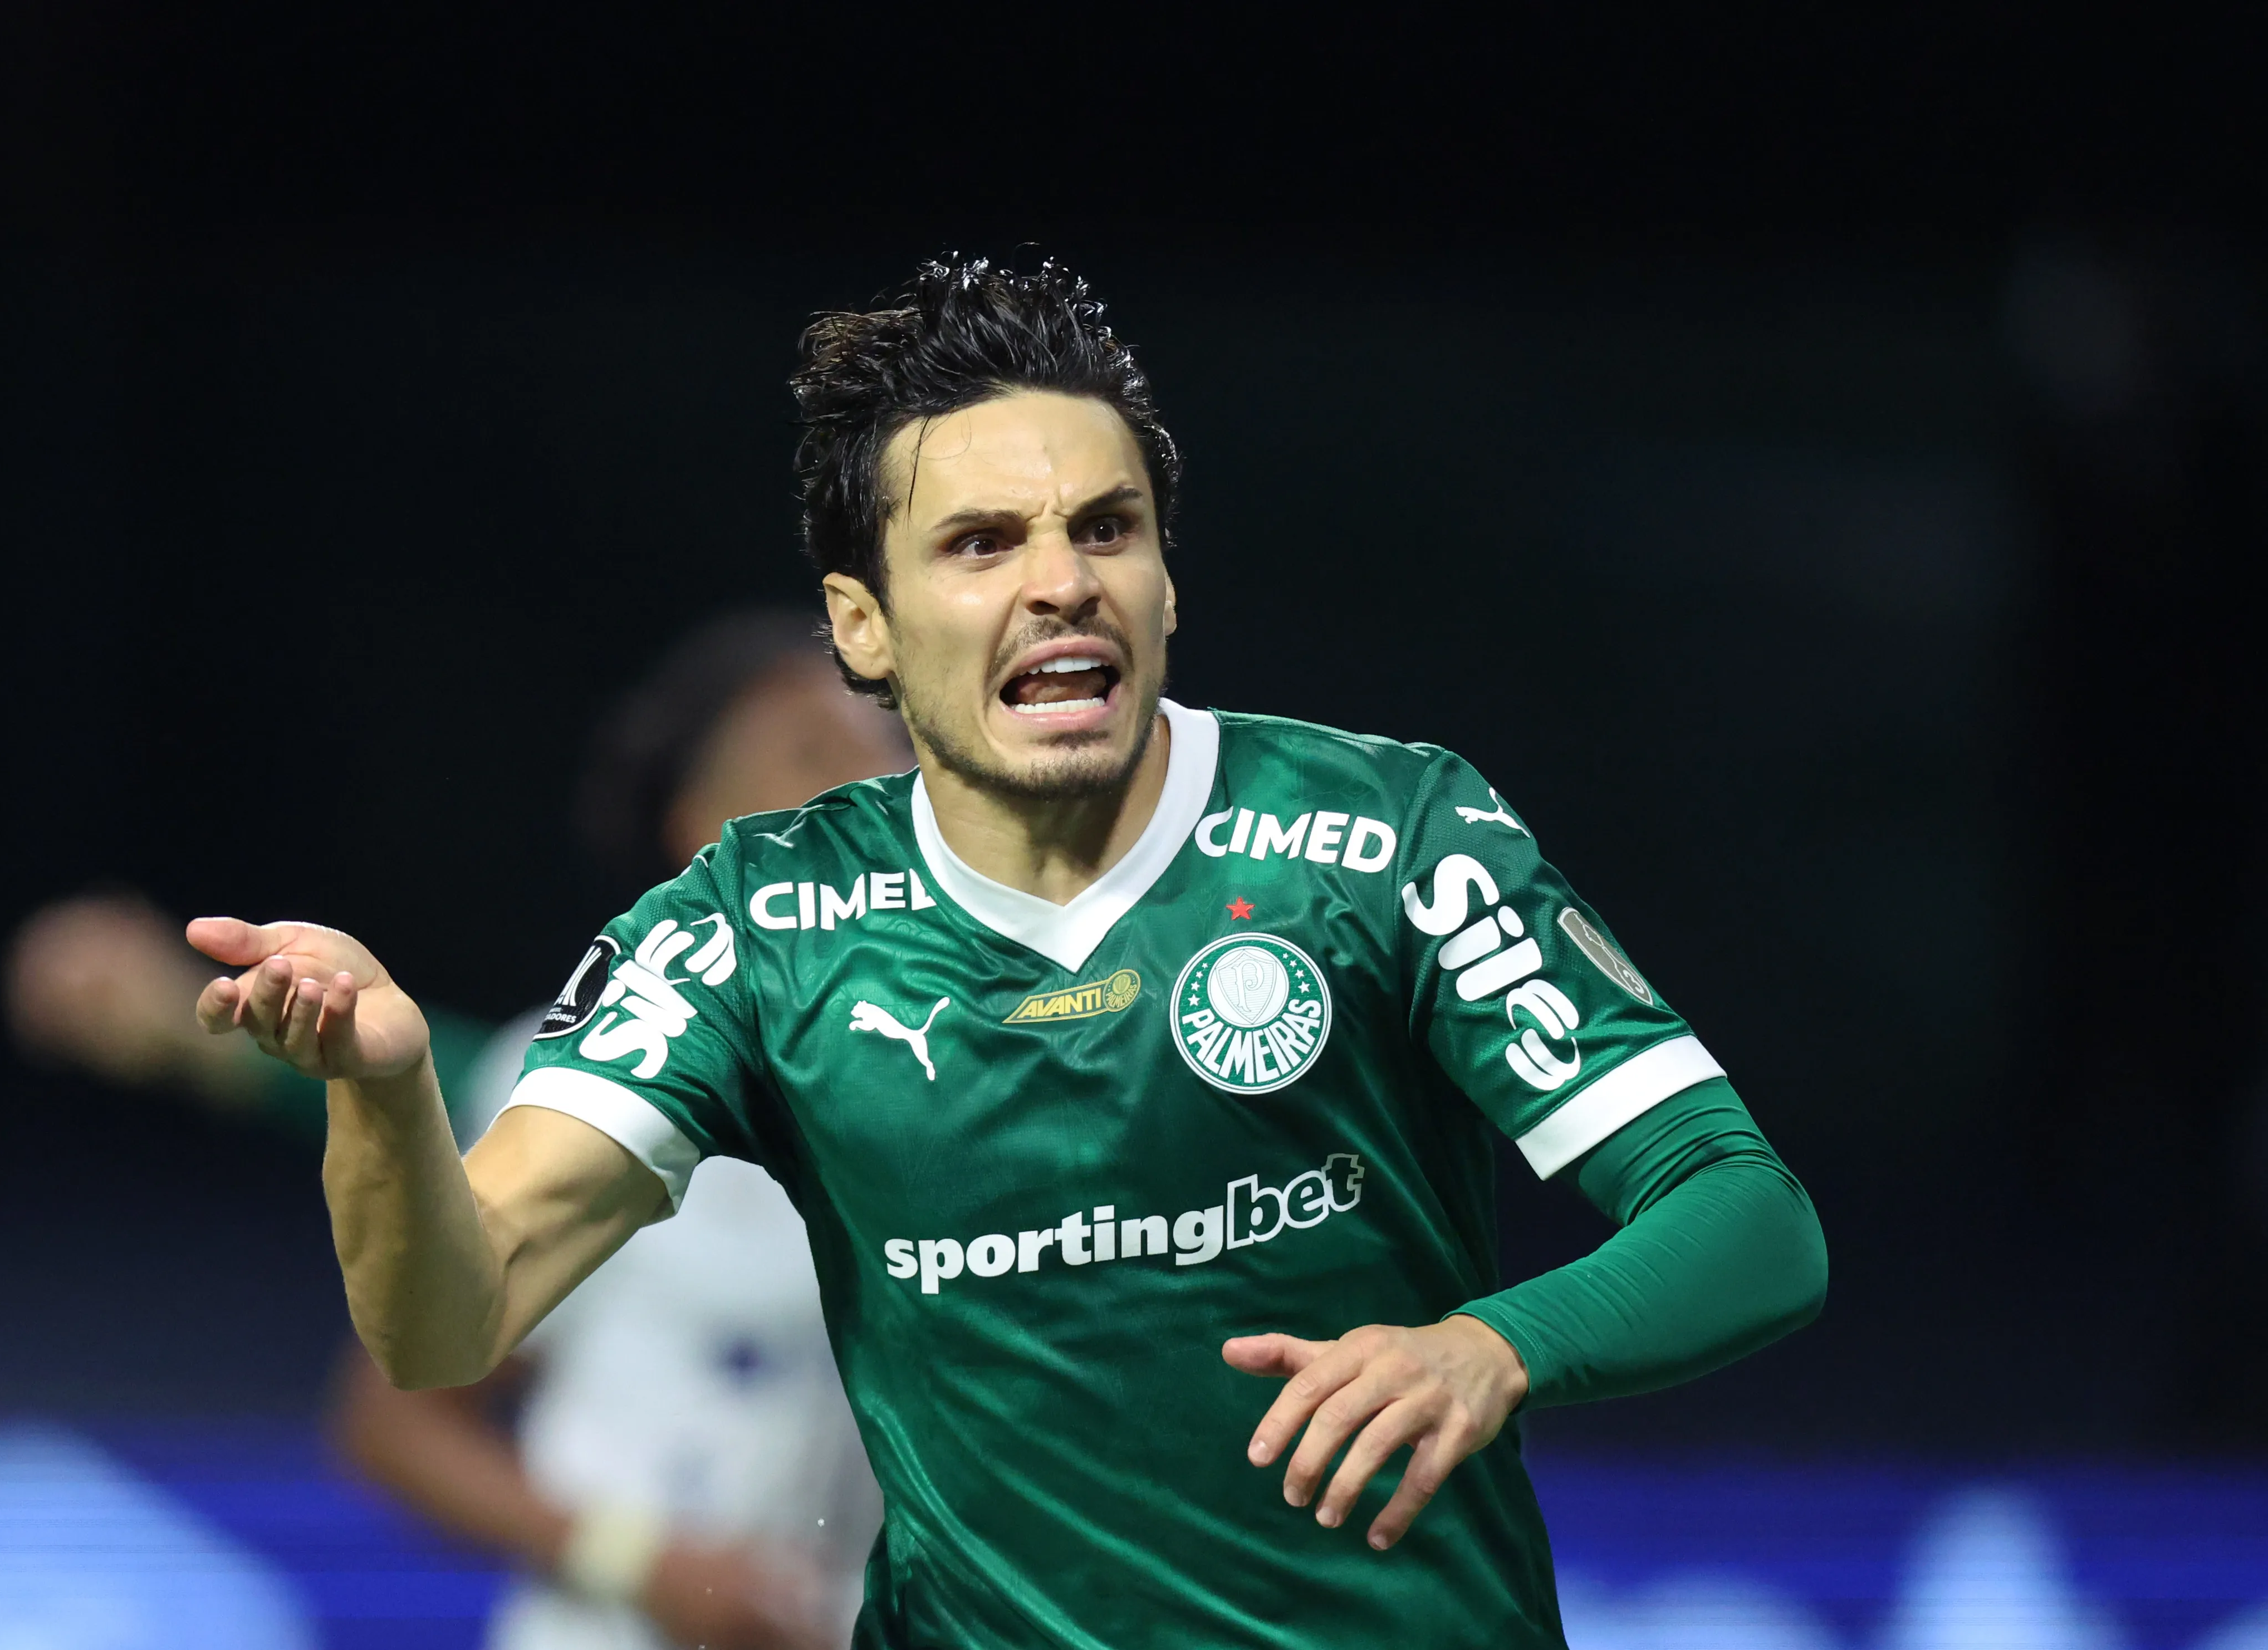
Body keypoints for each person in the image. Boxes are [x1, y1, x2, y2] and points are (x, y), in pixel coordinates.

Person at [190, 257, 1828, 1647]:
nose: (1061, 582)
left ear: (1167, 580)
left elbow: (1747, 1217)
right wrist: (388, 1099)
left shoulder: (1385, 834)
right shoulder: (753, 927)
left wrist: (1497, 1343)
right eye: (981, 545)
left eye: (1106, 529)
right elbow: (442, 1331)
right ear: (863, 627)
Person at [10, 612, 909, 1650]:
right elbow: (399, 1399)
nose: (864, 783)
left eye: (888, 746)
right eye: (808, 756)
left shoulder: (983, 1085)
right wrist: (641, 1562)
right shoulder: (604, 1089)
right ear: (702, 828)